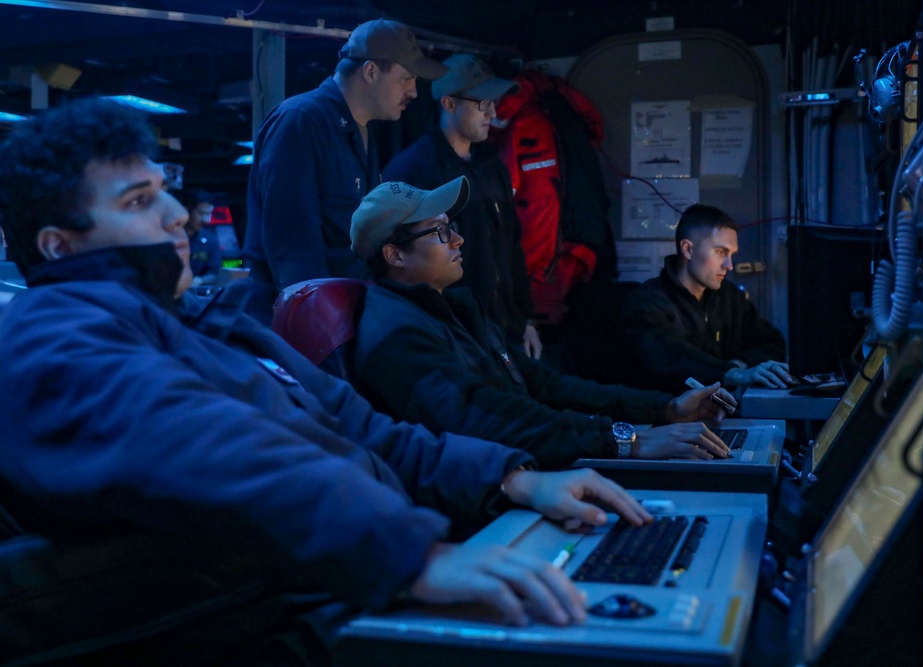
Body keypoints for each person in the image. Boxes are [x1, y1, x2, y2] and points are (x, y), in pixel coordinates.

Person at [0, 98, 654, 664]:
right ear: (59, 246)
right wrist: (412, 557)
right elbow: (197, 438)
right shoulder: (51, 335)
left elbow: (371, 434)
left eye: (165, 191)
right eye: (140, 202)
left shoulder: (219, 327)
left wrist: (514, 477)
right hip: (296, 622)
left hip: (357, 585)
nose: (179, 214)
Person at [350, 177, 733, 470]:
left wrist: (664, 410)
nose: (459, 240)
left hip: (537, 463)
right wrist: (626, 441)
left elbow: (542, 384)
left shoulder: (453, 309)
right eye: (441, 232)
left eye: (452, 227)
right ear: (395, 254)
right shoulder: (395, 334)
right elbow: (481, 417)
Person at [243, 18, 448, 324]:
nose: (414, 92)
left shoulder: (361, 131)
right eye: (407, 78)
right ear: (370, 71)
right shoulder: (300, 121)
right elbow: (293, 249)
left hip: (343, 315)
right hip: (304, 328)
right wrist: (320, 331)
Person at [383, 54, 541, 358]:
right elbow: (400, 267)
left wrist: (525, 321)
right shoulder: (412, 172)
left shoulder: (492, 165)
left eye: (493, 102)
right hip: (455, 336)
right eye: (482, 102)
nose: (492, 113)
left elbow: (511, 247)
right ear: (449, 104)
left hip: (504, 331)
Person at [622, 204, 792, 392]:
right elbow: (670, 357)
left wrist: (738, 364)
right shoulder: (648, 302)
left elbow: (772, 343)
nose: (729, 265)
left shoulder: (730, 297)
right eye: (721, 252)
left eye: (732, 255)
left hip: (720, 411)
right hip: (669, 416)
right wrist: (731, 374)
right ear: (687, 249)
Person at [179, 188, 222, 286]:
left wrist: (200, 280)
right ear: (187, 210)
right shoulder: (168, 237)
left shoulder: (211, 241)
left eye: (209, 214)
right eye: (201, 213)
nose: (206, 220)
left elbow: (214, 272)